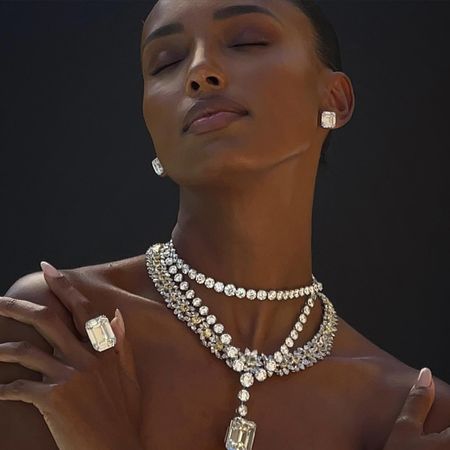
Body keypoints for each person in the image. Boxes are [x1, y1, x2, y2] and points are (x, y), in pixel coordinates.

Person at [0, 1, 449, 449]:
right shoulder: (55, 332)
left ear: (334, 99)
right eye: (166, 63)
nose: (199, 71)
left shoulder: (416, 410)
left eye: (246, 41)